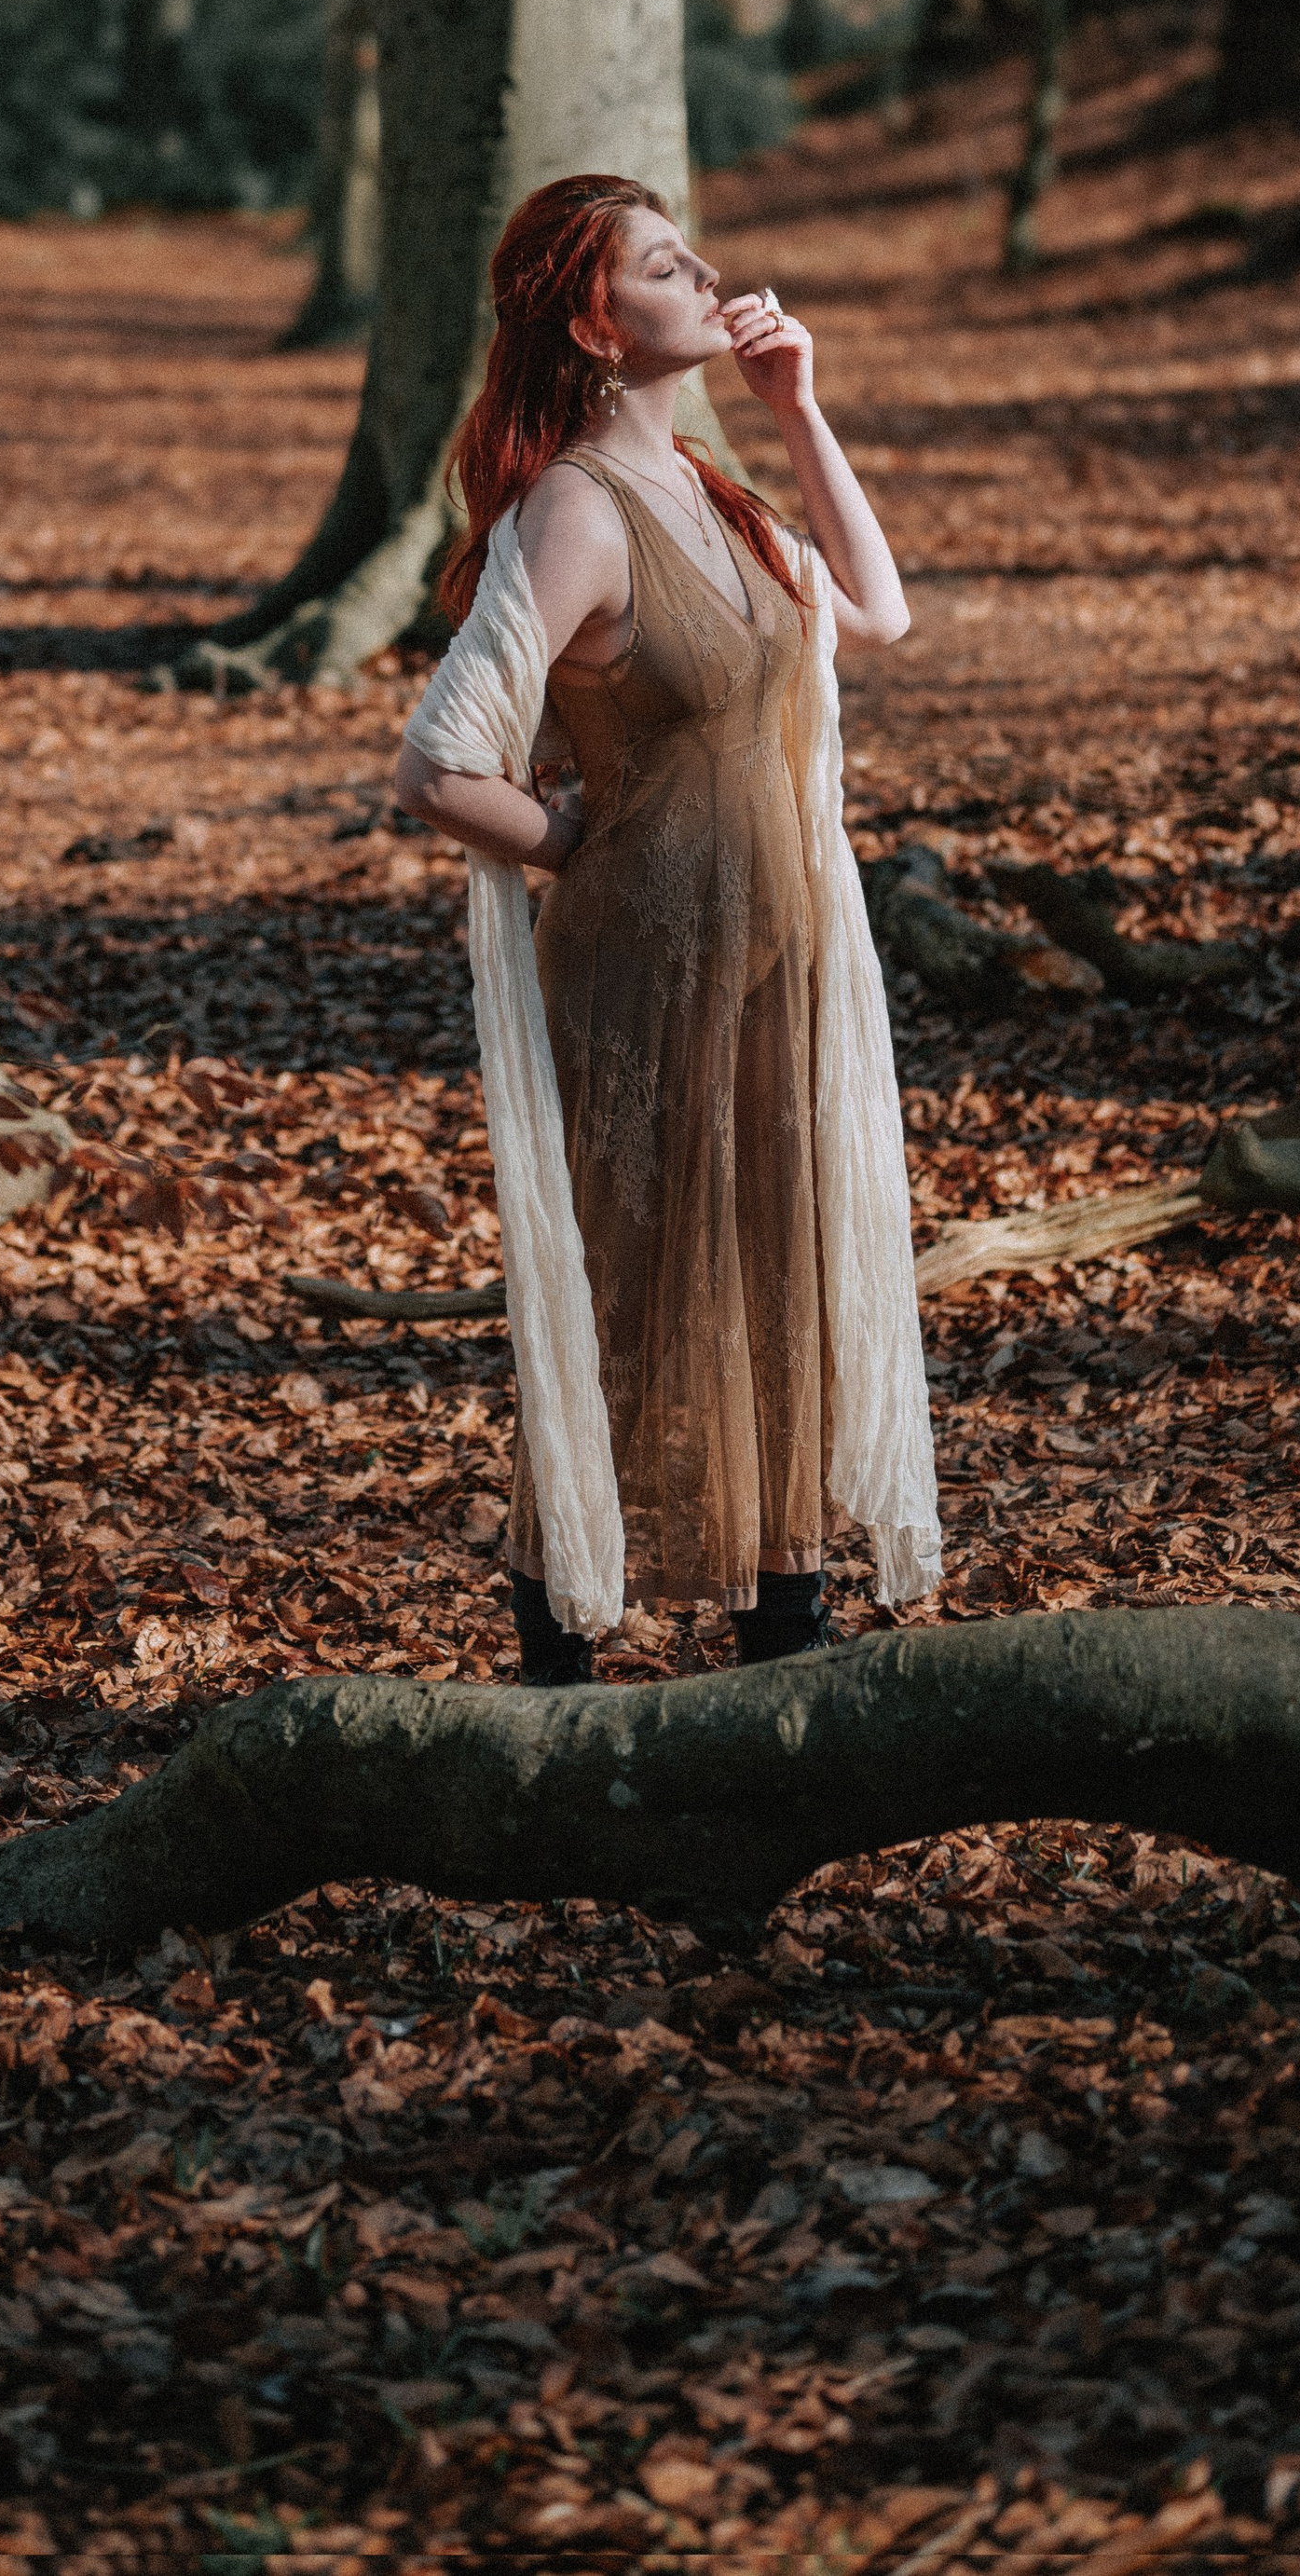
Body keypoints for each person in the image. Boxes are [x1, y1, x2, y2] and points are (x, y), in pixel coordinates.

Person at [392, 173, 940, 1684]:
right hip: (645, 969)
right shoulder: (577, 506)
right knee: (636, 1292)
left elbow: (876, 614)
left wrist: (794, 406)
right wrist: (578, 840)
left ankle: (784, 1659)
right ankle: (559, 1677)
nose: (705, 273)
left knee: (781, 1279)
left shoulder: (714, 487)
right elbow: (441, 764)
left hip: (787, 965)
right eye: (659, 263)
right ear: (591, 318)